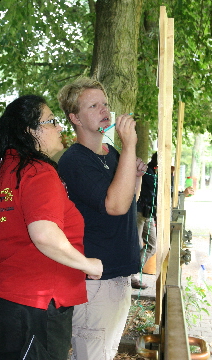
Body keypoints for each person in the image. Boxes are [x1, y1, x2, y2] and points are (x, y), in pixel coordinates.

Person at [0, 95, 103, 360]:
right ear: (31, 130)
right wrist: (88, 265)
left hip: (2, 303)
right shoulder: (37, 170)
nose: (60, 127)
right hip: (36, 305)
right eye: (51, 121)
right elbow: (45, 235)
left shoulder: (2, 172)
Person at [57, 77, 147, 360]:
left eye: (105, 103)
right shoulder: (74, 160)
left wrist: (135, 177)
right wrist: (130, 145)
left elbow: (128, 200)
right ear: (75, 118)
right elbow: (115, 206)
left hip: (117, 276)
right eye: (93, 105)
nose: (104, 110)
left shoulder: (110, 154)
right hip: (97, 281)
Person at [131, 152, 158, 289]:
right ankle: (131, 274)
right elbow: (155, 189)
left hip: (149, 213)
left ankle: (133, 269)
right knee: (135, 245)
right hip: (140, 211)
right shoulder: (148, 171)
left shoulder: (154, 173)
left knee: (153, 246)